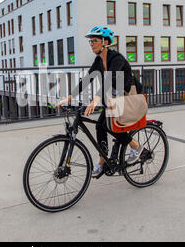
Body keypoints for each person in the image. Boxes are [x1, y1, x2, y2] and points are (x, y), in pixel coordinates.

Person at [57, 26, 144, 176]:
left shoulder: (116, 58)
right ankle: (102, 162)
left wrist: (96, 99)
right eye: (90, 41)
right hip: (114, 97)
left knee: (111, 127)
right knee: (100, 126)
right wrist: (70, 97)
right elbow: (88, 79)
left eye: (94, 41)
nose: (91, 43)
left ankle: (136, 147)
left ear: (105, 42)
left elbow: (110, 79)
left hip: (127, 95)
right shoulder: (98, 60)